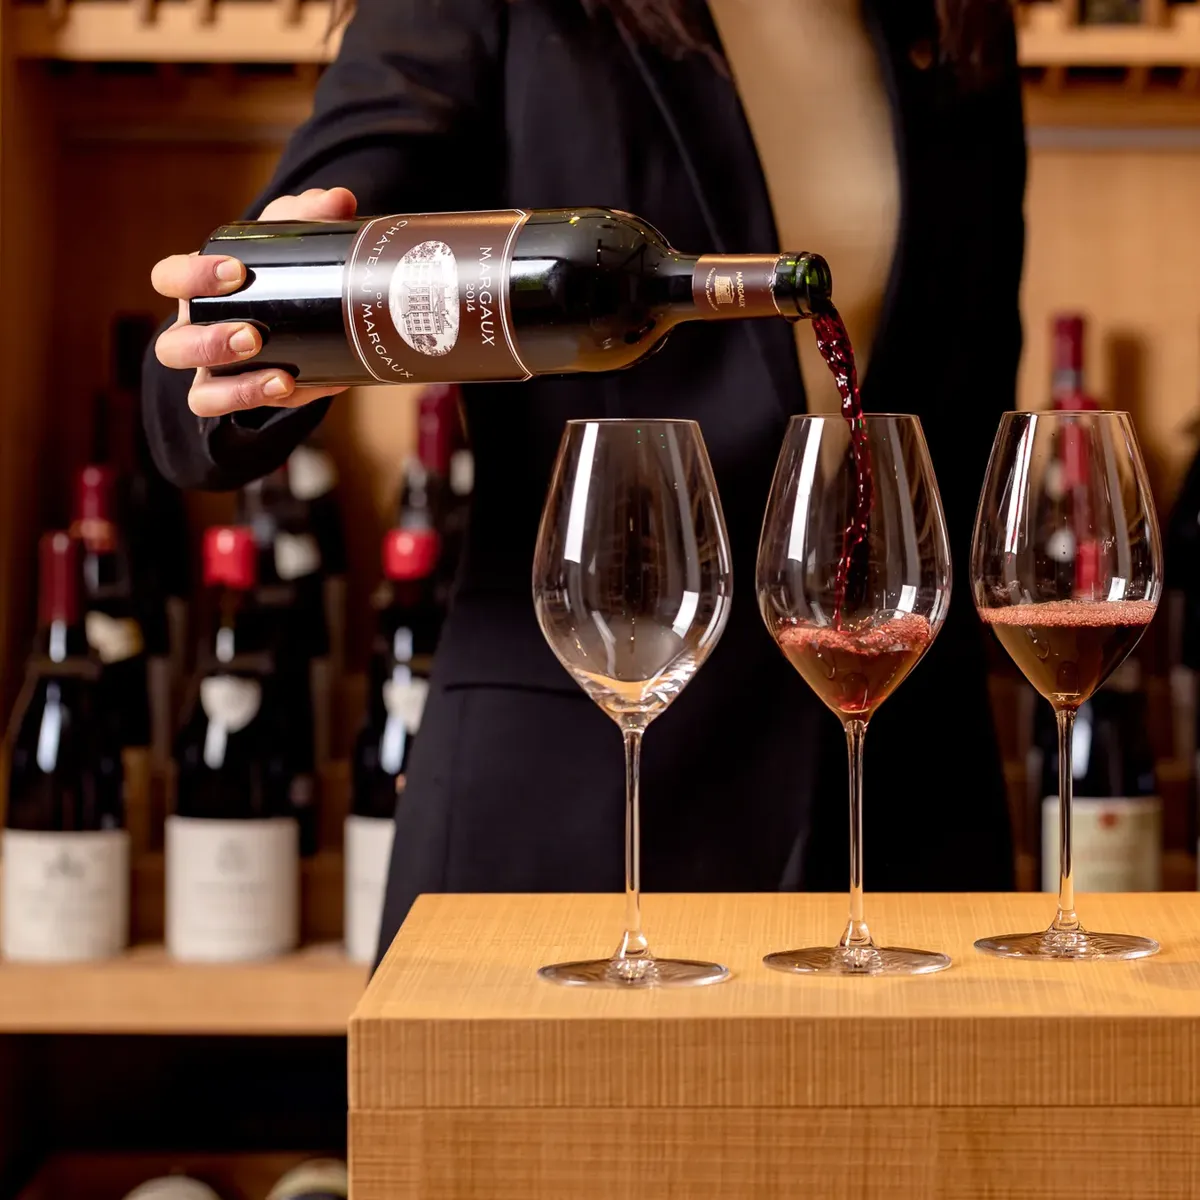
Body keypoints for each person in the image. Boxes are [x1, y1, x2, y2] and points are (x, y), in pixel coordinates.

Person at [144, 0, 1023, 965]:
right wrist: (248, 326)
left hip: (903, 806)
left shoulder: (954, 23)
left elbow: (968, 407)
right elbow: (255, 306)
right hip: (583, 797)